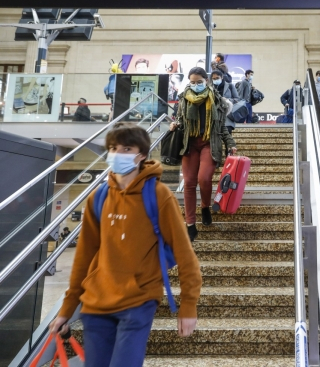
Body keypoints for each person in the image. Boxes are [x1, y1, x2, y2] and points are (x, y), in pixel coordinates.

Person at [49, 123, 202, 367]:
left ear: (141, 154)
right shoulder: (98, 197)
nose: (118, 154)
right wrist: (68, 307)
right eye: (113, 148)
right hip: (96, 304)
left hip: (138, 302)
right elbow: (84, 256)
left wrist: (188, 306)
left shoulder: (159, 195)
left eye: (126, 148)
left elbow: (185, 255)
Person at [170, 67, 238, 240]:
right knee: (189, 183)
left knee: (204, 178)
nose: (195, 85)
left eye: (199, 82)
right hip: (189, 144)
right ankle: (190, 223)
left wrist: (230, 143)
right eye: (192, 82)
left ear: (206, 81)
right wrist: (175, 124)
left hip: (209, 143)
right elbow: (179, 118)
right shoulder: (183, 98)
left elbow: (221, 127)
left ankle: (206, 207)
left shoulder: (217, 100)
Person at [211, 69, 240, 135]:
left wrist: (227, 100)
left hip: (227, 117)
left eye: (217, 78)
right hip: (215, 118)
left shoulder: (230, 86)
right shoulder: (211, 88)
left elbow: (237, 99)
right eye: (214, 78)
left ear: (222, 77)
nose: (215, 80)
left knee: (228, 138)